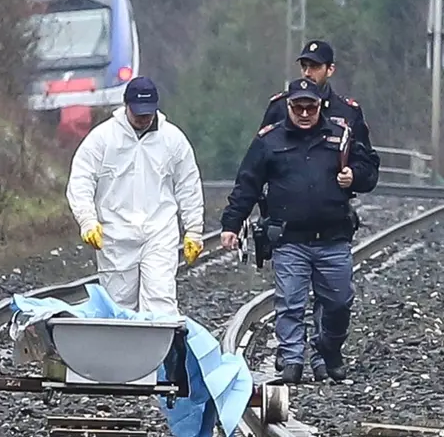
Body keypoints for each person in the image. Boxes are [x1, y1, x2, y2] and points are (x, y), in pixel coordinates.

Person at [218, 80, 373, 383]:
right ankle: (291, 358)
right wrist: (231, 224)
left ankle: (326, 349)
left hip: (333, 236)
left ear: (320, 107)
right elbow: (247, 184)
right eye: (298, 107)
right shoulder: (269, 140)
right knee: (290, 302)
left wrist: (354, 176)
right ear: (288, 106)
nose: (304, 113)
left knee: (339, 302)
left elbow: (369, 169)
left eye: (310, 107)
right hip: (290, 238)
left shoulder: (341, 135)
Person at [66, 77, 204, 316]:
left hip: (159, 231)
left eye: (148, 113)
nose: (143, 118)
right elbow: (81, 179)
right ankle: (121, 352)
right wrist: (88, 221)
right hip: (115, 234)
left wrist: (194, 229)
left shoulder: (172, 140)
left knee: (160, 298)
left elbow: (188, 184)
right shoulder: (102, 139)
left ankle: (159, 350)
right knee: (118, 305)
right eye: (138, 112)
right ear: (125, 106)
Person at [258, 38, 376, 175]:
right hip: (284, 189)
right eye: (304, 66)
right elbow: (258, 158)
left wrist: (354, 175)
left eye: (315, 67)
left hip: (330, 191)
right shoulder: (280, 106)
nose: (307, 73)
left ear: (330, 70)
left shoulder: (348, 112)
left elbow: (367, 165)